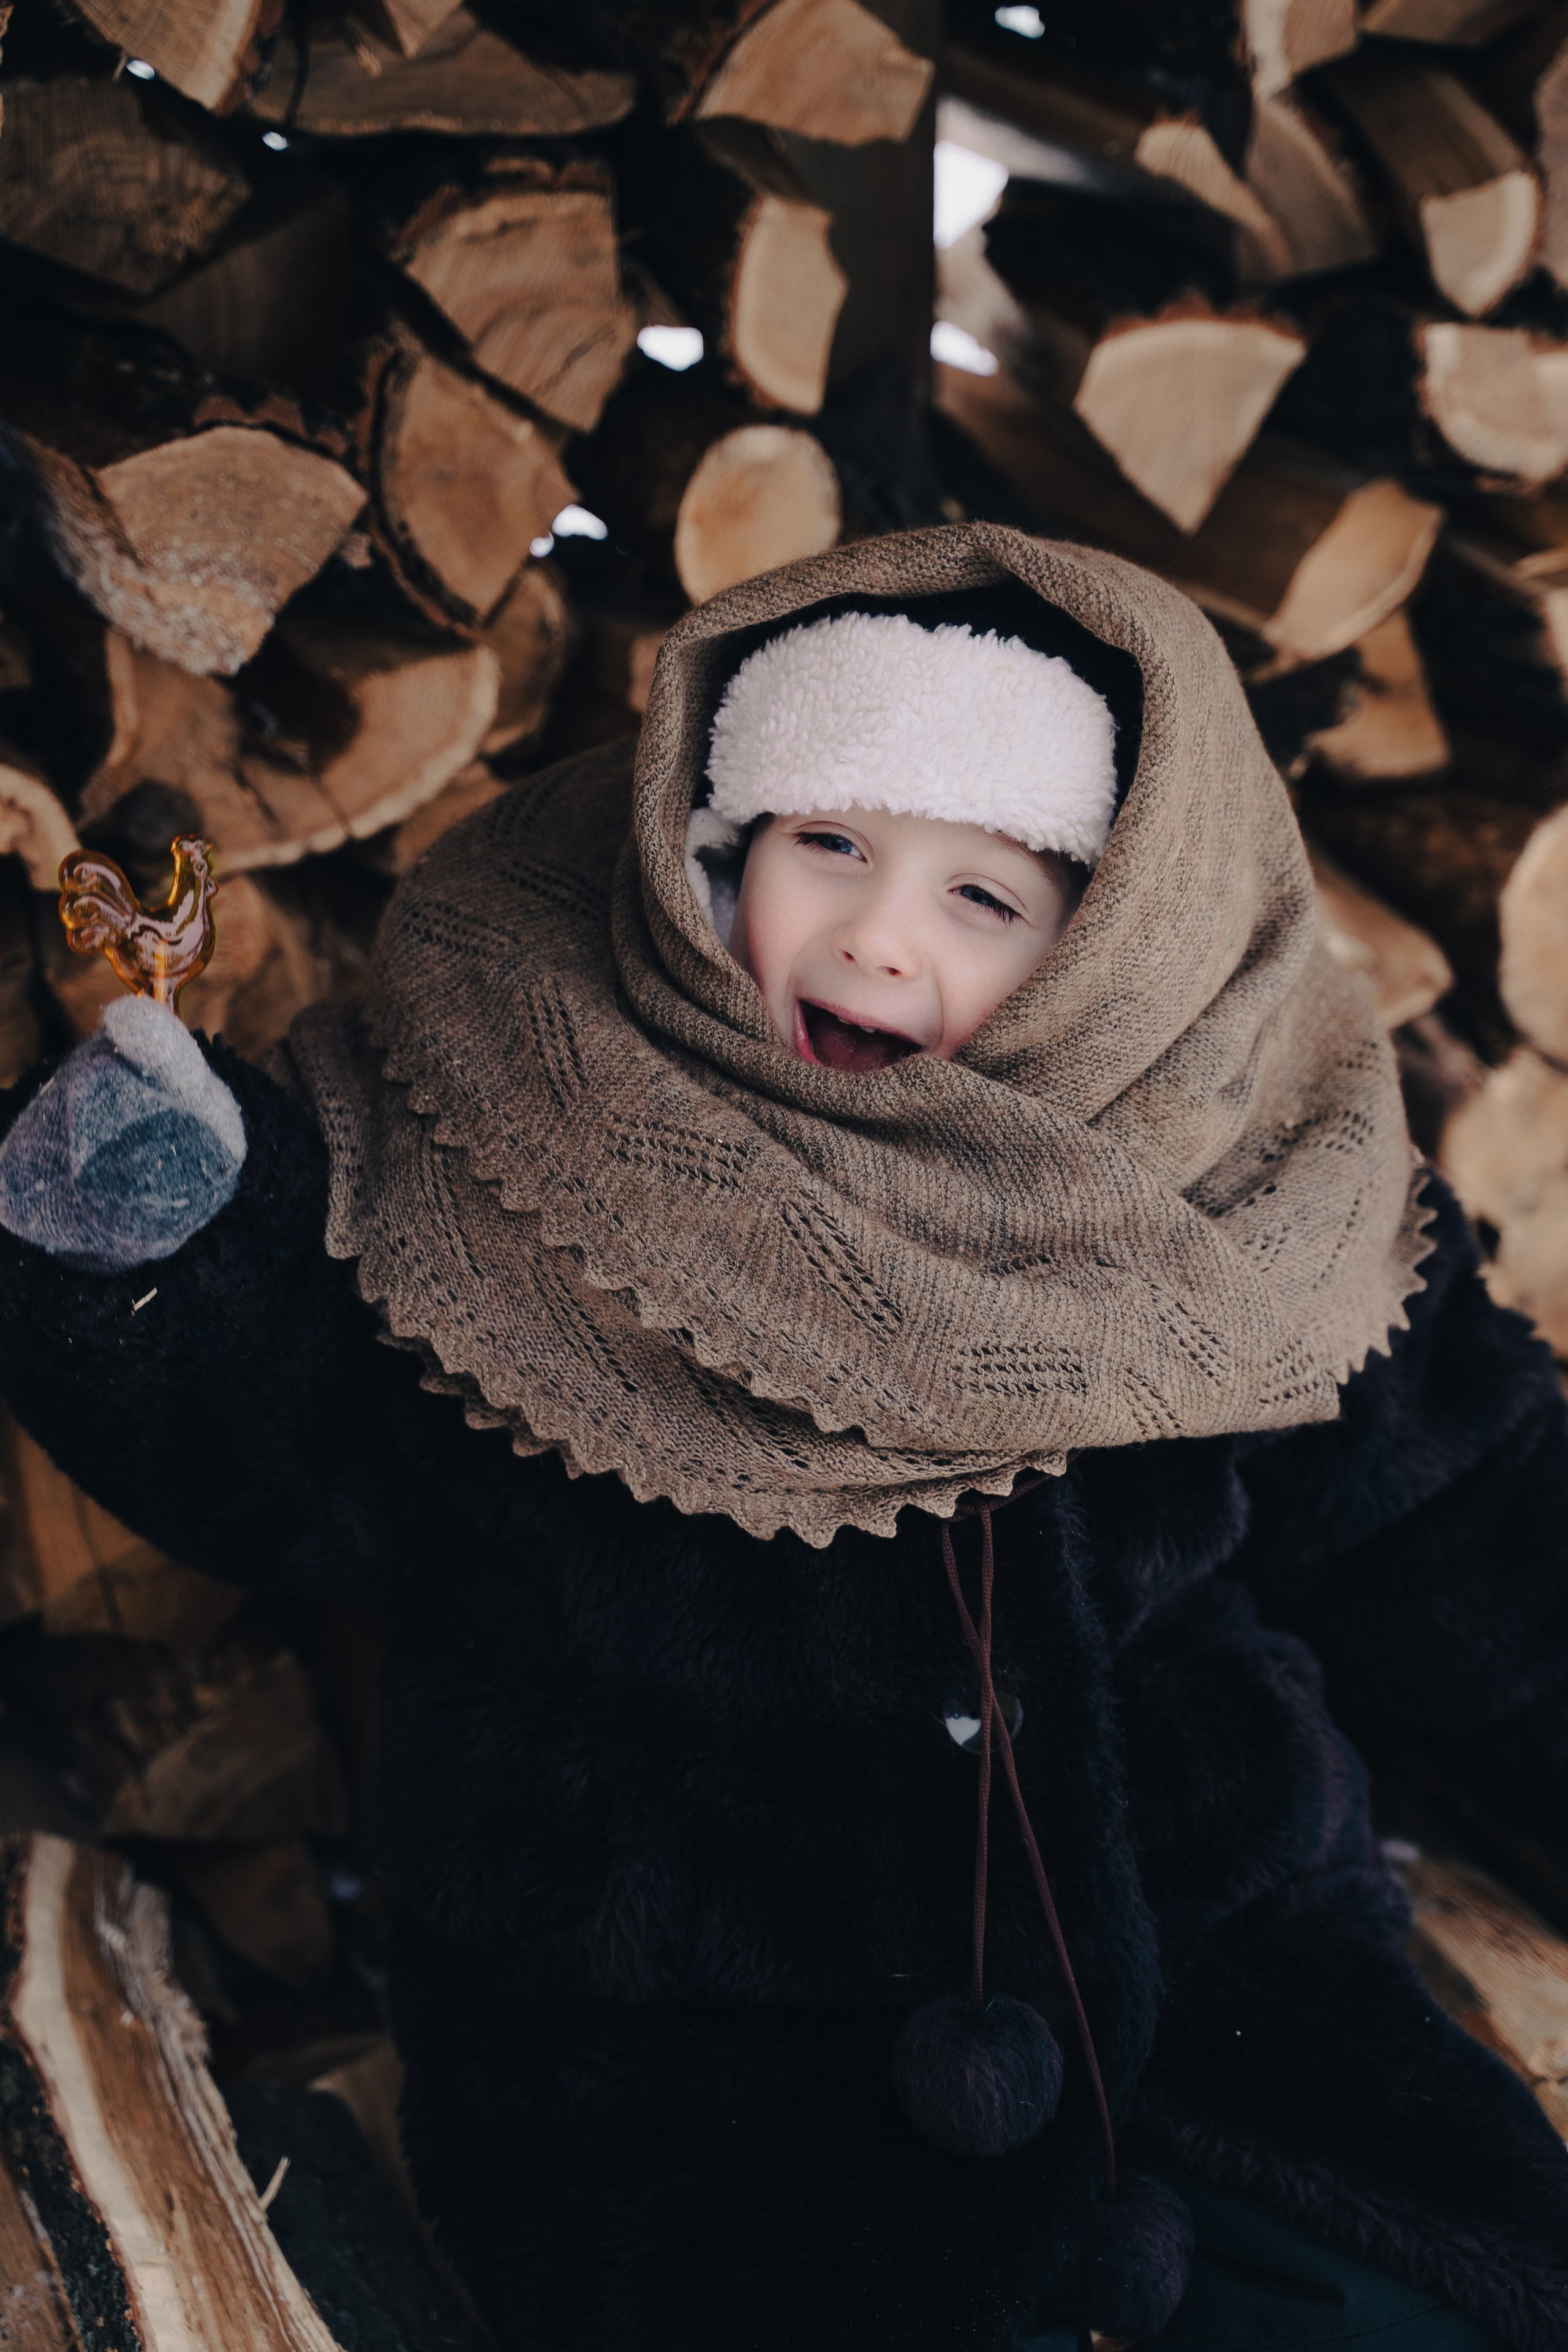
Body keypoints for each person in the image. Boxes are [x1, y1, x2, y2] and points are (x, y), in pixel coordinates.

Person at [0, 525, 1565, 2351]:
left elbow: (1457, 1523)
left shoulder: (1230, 1184)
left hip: (1211, 1960)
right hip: (685, 2038)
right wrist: (168, 1247)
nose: (879, 936)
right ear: (714, 848)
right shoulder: (526, 1135)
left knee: (1418, 2312)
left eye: (984, 897)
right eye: (827, 845)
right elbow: (308, 1444)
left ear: (1119, 944)